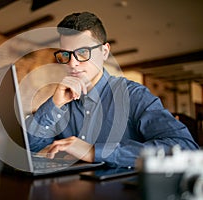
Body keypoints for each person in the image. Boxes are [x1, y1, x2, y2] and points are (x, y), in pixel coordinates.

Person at [25, 12, 199, 168]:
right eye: (65, 55)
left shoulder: (134, 96)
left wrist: (94, 151)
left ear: (105, 52)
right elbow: (32, 146)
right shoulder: (62, 100)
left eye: (83, 52)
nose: (72, 63)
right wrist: (54, 104)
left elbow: (185, 147)